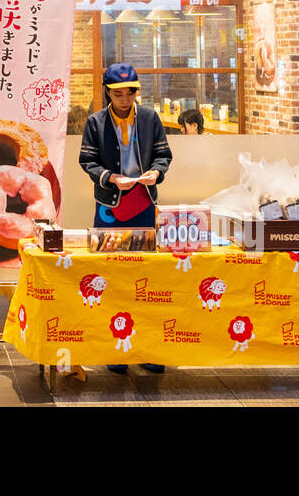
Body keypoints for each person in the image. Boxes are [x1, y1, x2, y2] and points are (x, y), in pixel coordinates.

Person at [77, 62, 173, 377]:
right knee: (109, 274)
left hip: (144, 203)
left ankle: (146, 348)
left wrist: (156, 172)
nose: (124, 98)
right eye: (118, 92)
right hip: (109, 205)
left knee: (146, 277)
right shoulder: (96, 121)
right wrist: (109, 177)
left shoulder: (149, 118)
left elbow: (164, 154)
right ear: (108, 91)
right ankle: (113, 349)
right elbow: (87, 160)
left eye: (130, 91)